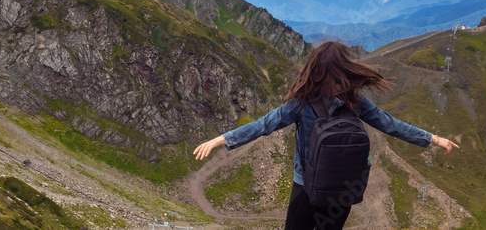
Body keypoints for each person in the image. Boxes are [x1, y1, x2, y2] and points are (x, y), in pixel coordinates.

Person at [193, 40, 459, 230]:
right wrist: (433, 139)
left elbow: (264, 124)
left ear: (314, 69)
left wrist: (221, 140)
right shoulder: (355, 100)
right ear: (345, 68)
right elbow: (391, 125)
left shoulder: (300, 102)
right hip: (343, 189)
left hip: (306, 186)